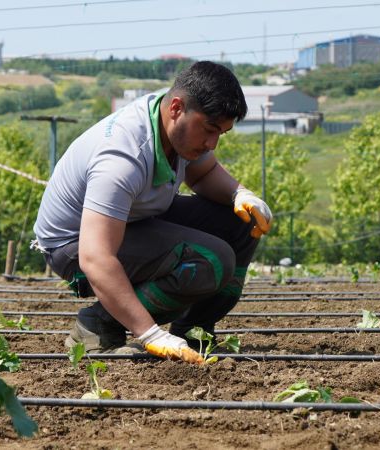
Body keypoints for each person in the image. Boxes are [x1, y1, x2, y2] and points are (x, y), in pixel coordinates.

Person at [32, 61, 272, 365]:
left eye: (220, 134)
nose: (212, 143)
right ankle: (99, 325)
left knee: (239, 223)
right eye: (210, 130)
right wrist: (149, 334)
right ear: (176, 108)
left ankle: (192, 333)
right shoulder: (122, 158)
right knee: (211, 259)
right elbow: (96, 257)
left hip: (133, 220)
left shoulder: (172, 120)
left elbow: (202, 174)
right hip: (74, 246)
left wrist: (240, 194)